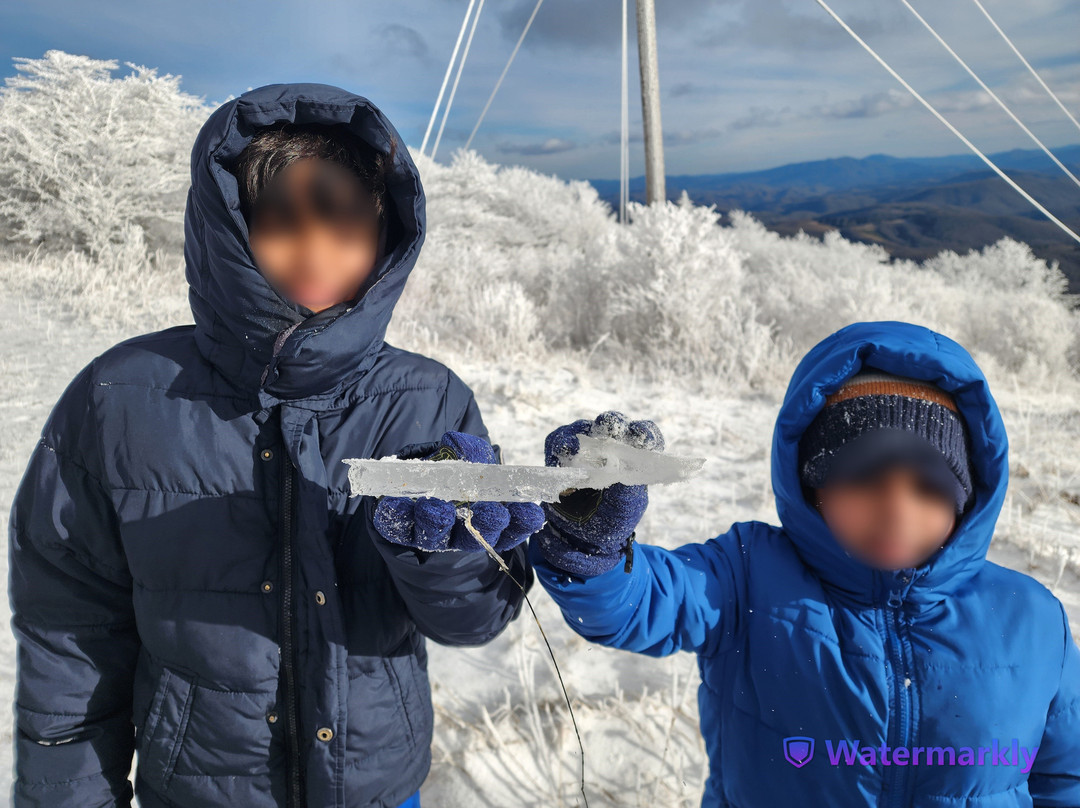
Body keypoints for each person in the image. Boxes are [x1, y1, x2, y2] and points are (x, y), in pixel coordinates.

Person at [7, 82, 542, 808]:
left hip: (376, 791)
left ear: (386, 233)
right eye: (281, 219)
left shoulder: (429, 402)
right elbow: (70, 633)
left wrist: (442, 552)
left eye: (346, 222)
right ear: (228, 227)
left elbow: (476, 619)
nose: (315, 250)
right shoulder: (120, 399)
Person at [529, 320, 1080, 806]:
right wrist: (591, 547)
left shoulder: (1031, 619)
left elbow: (1065, 777)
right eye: (863, 477)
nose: (897, 508)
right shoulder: (748, 575)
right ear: (811, 484)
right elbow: (639, 602)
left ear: (965, 498)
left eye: (929, 486)